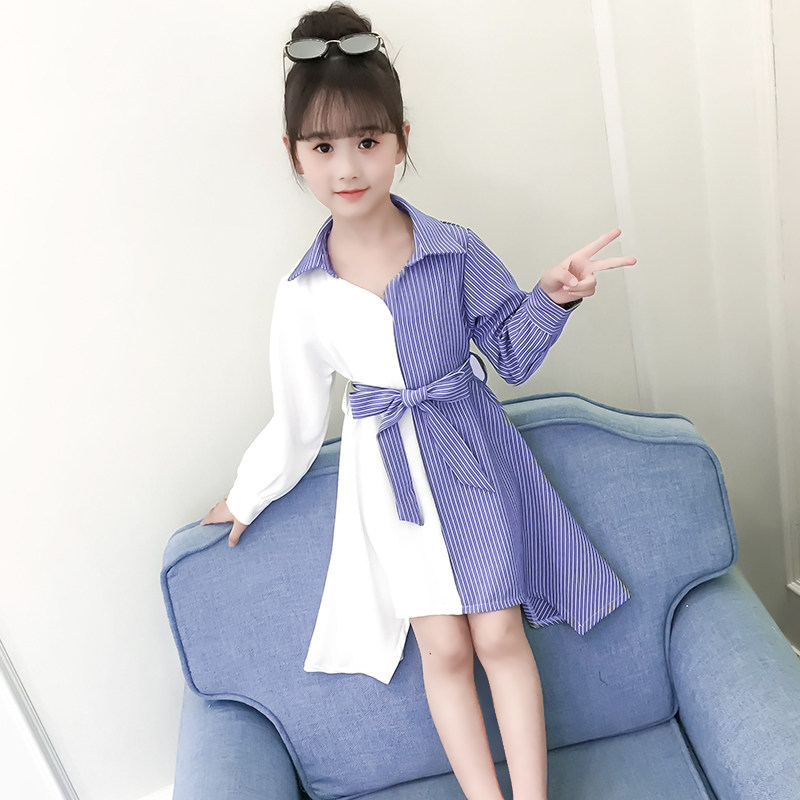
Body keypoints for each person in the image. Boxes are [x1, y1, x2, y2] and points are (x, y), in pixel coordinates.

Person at [202, 3, 636, 798]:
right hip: (389, 479)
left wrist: (551, 294)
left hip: (471, 456)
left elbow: (510, 353)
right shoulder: (303, 295)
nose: (348, 167)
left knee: (499, 633)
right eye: (323, 146)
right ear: (292, 153)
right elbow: (297, 419)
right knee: (445, 648)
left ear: (402, 139)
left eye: (368, 141)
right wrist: (248, 493)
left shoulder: (453, 248)